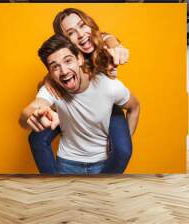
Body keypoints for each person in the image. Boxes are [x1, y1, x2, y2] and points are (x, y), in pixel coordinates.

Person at [30, 8, 133, 174]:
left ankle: (102, 186)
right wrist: (48, 82)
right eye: (71, 33)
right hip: (73, 106)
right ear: (65, 41)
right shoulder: (68, 58)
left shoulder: (101, 42)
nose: (81, 34)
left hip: (105, 104)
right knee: (36, 139)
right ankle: (53, 185)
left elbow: (109, 39)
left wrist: (116, 47)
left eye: (82, 25)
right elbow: (53, 72)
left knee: (122, 150)